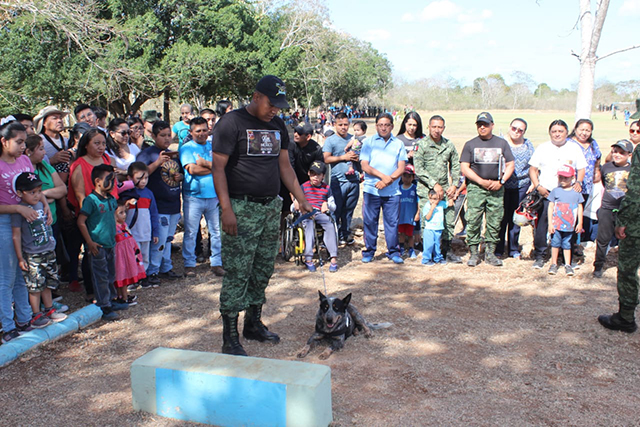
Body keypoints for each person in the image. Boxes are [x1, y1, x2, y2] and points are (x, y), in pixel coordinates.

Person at [212, 75, 312, 356]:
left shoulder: (278, 125)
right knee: (238, 272)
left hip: (270, 208)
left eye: (279, 106)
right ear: (256, 97)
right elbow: (218, 169)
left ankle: (253, 324)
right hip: (240, 208)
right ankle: (229, 336)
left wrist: (300, 198)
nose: (275, 110)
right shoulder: (231, 124)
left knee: (262, 269)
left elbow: (285, 167)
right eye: (271, 104)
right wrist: (227, 209)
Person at [0, 120, 52, 343]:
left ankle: (24, 318)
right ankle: (7, 325)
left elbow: (36, 190)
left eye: (24, 142)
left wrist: (46, 205)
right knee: (7, 277)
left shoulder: (24, 161)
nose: (23, 146)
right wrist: (17, 208)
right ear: (4, 141)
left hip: (29, 222)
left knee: (24, 274)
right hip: (6, 223)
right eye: (18, 142)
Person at [528, 120, 587, 269]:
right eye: (554, 131)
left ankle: (566, 257)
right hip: (547, 192)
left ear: (567, 133)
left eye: (560, 131)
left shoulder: (574, 148)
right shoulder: (543, 148)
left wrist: (578, 182)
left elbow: (581, 169)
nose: (557, 134)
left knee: (569, 225)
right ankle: (540, 255)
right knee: (542, 225)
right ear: (550, 133)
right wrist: (538, 186)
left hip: (567, 194)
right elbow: (533, 169)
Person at [11, 172, 67, 328]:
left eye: (38, 191)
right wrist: (20, 258)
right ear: (20, 193)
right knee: (35, 285)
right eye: (31, 192)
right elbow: (16, 235)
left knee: (47, 282)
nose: (36, 196)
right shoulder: (20, 211)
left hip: (48, 249)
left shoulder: (41, 204)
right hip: (32, 253)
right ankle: (36, 315)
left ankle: (49, 309)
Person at [459, 112, 515, 267]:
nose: (482, 127)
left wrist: (502, 181)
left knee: (494, 222)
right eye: (479, 125)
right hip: (476, 188)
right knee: (473, 220)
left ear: (492, 125)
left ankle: (490, 253)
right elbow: (465, 166)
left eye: (485, 124)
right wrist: (480, 181)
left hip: (496, 189)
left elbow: (510, 164)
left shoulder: (501, 143)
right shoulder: (470, 144)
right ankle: (474, 254)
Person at [598, 134, 640, 332]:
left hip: (636, 226)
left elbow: (635, 192)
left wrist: (623, 221)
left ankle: (625, 318)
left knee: (627, 271)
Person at [77, 164, 128, 321]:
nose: (113, 182)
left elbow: (112, 217)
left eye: (114, 179)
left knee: (110, 273)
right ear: (98, 181)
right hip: (97, 246)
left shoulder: (111, 199)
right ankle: (103, 305)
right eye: (109, 179)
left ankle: (111, 300)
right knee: (101, 276)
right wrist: (90, 242)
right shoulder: (90, 200)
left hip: (110, 243)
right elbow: (81, 221)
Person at [136, 121, 183, 282]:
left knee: (169, 238)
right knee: (159, 239)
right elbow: (139, 174)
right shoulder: (148, 154)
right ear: (153, 136)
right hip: (158, 204)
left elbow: (179, 172)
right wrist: (157, 163)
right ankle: (152, 270)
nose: (167, 138)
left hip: (174, 202)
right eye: (162, 135)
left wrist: (179, 177)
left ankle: (166, 267)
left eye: (169, 135)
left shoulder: (172, 153)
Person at [360, 112, 408, 264]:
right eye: (380, 125)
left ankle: (393, 251)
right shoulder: (369, 142)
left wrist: (388, 181)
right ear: (376, 126)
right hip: (371, 190)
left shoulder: (398, 144)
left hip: (392, 192)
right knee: (370, 221)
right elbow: (364, 165)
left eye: (387, 125)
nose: (383, 128)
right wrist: (382, 177)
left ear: (392, 126)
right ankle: (369, 251)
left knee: (392, 223)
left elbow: (401, 167)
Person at [414, 114, 463, 263]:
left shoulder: (448, 145)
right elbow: (419, 168)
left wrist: (454, 184)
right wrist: (433, 183)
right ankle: (427, 252)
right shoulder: (421, 145)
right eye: (434, 127)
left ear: (444, 128)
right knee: (427, 222)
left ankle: (445, 251)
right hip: (427, 191)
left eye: (440, 127)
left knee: (447, 222)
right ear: (429, 127)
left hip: (446, 191)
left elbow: (455, 166)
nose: (436, 130)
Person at [180, 117, 224, 277]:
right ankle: (189, 264)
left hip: (214, 196)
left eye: (205, 130)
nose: (202, 133)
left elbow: (222, 166)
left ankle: (216, 263)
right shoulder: (186, 148)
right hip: (193, 197)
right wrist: (214, 168)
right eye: (198, 131)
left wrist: (204, 163)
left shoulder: (213, 147)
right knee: (191, 232)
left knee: (216, 231)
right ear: (191, 132)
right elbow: (192, 170)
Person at [593, 140, 633, 278]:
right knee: (603, 238)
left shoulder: (633, 170)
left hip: (625, 209)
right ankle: (598, 265)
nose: (617, 155)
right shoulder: (607, 168)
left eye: (622, 153)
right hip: (607, 208)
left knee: (626, 238)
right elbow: (605, 183)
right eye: (615, 151)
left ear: (629, 154)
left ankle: (626, 266)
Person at [497, 118, 534, 259]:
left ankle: (513, 248)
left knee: (516, 218)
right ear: (509, 127)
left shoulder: (528, 144)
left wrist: (532, 183)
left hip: (522, 186)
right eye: (514, 128)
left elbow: (534, 164)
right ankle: (499, 248)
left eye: (520, 130)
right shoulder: (500, 142)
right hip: (503, 185)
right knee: (501, 218)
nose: (517, 132)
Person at [323, 112, 360, 246]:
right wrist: (342, 158)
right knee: (335, 210)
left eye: (346, 124)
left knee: (349, 210)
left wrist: (357, 159)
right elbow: (326, 158)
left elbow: (362, 156)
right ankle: (333, 235)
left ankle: (345, 234)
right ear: (334, 125)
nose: (343, 127)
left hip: (353, 181)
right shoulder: (330, 140)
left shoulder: (354, 139)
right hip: (337, 181)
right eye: (340, 125)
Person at [294, 161, 338, 272]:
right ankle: (308, 258)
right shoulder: (303, 187)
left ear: (323, 176)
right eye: (313, 174)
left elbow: (334, 206)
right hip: (306, 214)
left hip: (319, 213)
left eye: (318, 174)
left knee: (329, 224)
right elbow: (293, 206)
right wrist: (297, 205)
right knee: (309, 227)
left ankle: (333, 257)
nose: (315, 177)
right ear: (309, 173)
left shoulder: (326, 188)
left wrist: (327, 205)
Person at [568, 119, 601, 250]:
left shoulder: (593, 144)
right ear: (575, 129)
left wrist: (597, 170)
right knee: (569, 215)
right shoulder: (569, 143)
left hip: (586, 186)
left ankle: (576, 244)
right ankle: (565, 244)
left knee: (579, 216)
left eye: (587, 130)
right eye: (582, 129)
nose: (584, 133)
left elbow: (597, 158)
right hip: (570, 185)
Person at [123, 162, 159, 279]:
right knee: (133, 256)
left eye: (146, 178)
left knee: (145, 255)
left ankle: (143, 275)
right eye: (139, 178)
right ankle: (133, 277)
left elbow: (154, 214)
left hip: (146, 232)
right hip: (131, 233)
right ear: (130, 178)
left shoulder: (149, 194)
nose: (143, 181)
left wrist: (155, 232)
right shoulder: (126, 194)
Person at [546, 165, 584, 276]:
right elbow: (551, 207)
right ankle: (553, 264)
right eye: (560, 177)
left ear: (573, 178)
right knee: (555, 243)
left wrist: (580, 222)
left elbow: (580, 207)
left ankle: (567, 264)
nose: (563, 180)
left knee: (567, 244)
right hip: (556, 225)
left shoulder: (576, 192)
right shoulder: (555, 191)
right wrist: (550, 223)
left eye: (566, 178)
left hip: (570, 225)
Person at [113, 198, 144, 304]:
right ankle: (122, 297)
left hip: (128, 254)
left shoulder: (124, 225)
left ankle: (123, 296)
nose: (124, 215)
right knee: (120, 275)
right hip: (120, 256)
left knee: (126, 274)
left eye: (124, 212)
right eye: (121, 213)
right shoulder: (114, 228)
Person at [33, 106, 72, 183]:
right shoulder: (38, 141)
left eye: (60, 118)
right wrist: (52, 160)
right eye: (54, 118)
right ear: (44, 122)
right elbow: (33, 163)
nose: (59, 121)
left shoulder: (66, 140)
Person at [398, 164, 419, 258]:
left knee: (410, 234)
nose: (406, 179)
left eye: (409, 176)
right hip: (401, 216)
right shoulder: (398, 189)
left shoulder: (415, 189)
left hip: (410, 216)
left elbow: (418, 202)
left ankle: (411, 249)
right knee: (401, 233)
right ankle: (401, 248)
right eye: (404, 176)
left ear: (413, 177)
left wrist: (418, 213)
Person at [421, 189, 447, 266]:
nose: (433, 201)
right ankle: (426, 259)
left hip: (438, 228)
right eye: (431, 198)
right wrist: (432, 209)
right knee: (429, 245)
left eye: (435, 199)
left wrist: (451, 196)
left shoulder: (442, 204)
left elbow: (450, 203)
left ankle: (438, 258)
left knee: (437, 244)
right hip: (429, 228)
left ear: (439, 198)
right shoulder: (427, 206)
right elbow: (427, 218)